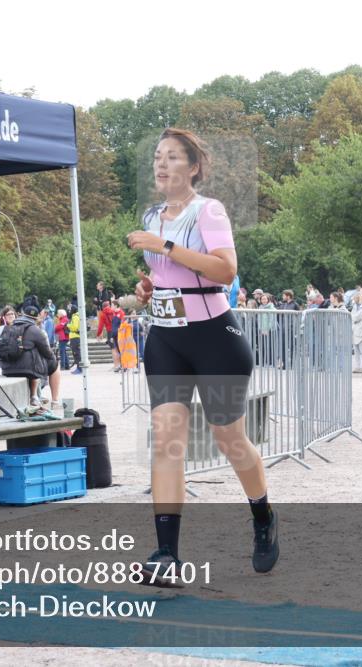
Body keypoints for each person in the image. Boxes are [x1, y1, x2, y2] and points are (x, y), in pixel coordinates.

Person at [125, 127, 278, 583]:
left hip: (215, 337)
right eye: (157, 156)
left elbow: (225, 270)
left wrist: (165, 247)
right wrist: (150, 288)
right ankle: (166, 556)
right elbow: (169, 277)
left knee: (229, 440)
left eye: (172, 157)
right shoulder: (153, 214)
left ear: (193, 167)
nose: (162, 163)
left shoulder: (208, 210)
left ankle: (264, 516)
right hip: (166, 339)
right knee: (167, 440)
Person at [0, 301, 62, 415]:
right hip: (27, 370)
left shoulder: (8, 328)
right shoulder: (35, 330)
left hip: (6, 369)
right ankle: (55, 401)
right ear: (36, 318)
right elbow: (47, 353)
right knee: (55, 365)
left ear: (22, 315)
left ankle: (36, 397)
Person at [67, 304, 83, 374]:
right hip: (74, 336)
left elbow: (75, 327)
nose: (69, 311)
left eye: (70, 310)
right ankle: (78, 368)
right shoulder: (75, 316)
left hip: (75, 336)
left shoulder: (75, 317)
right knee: (75, 353)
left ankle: (79, 369)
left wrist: (68, 325)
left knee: (76, 353)